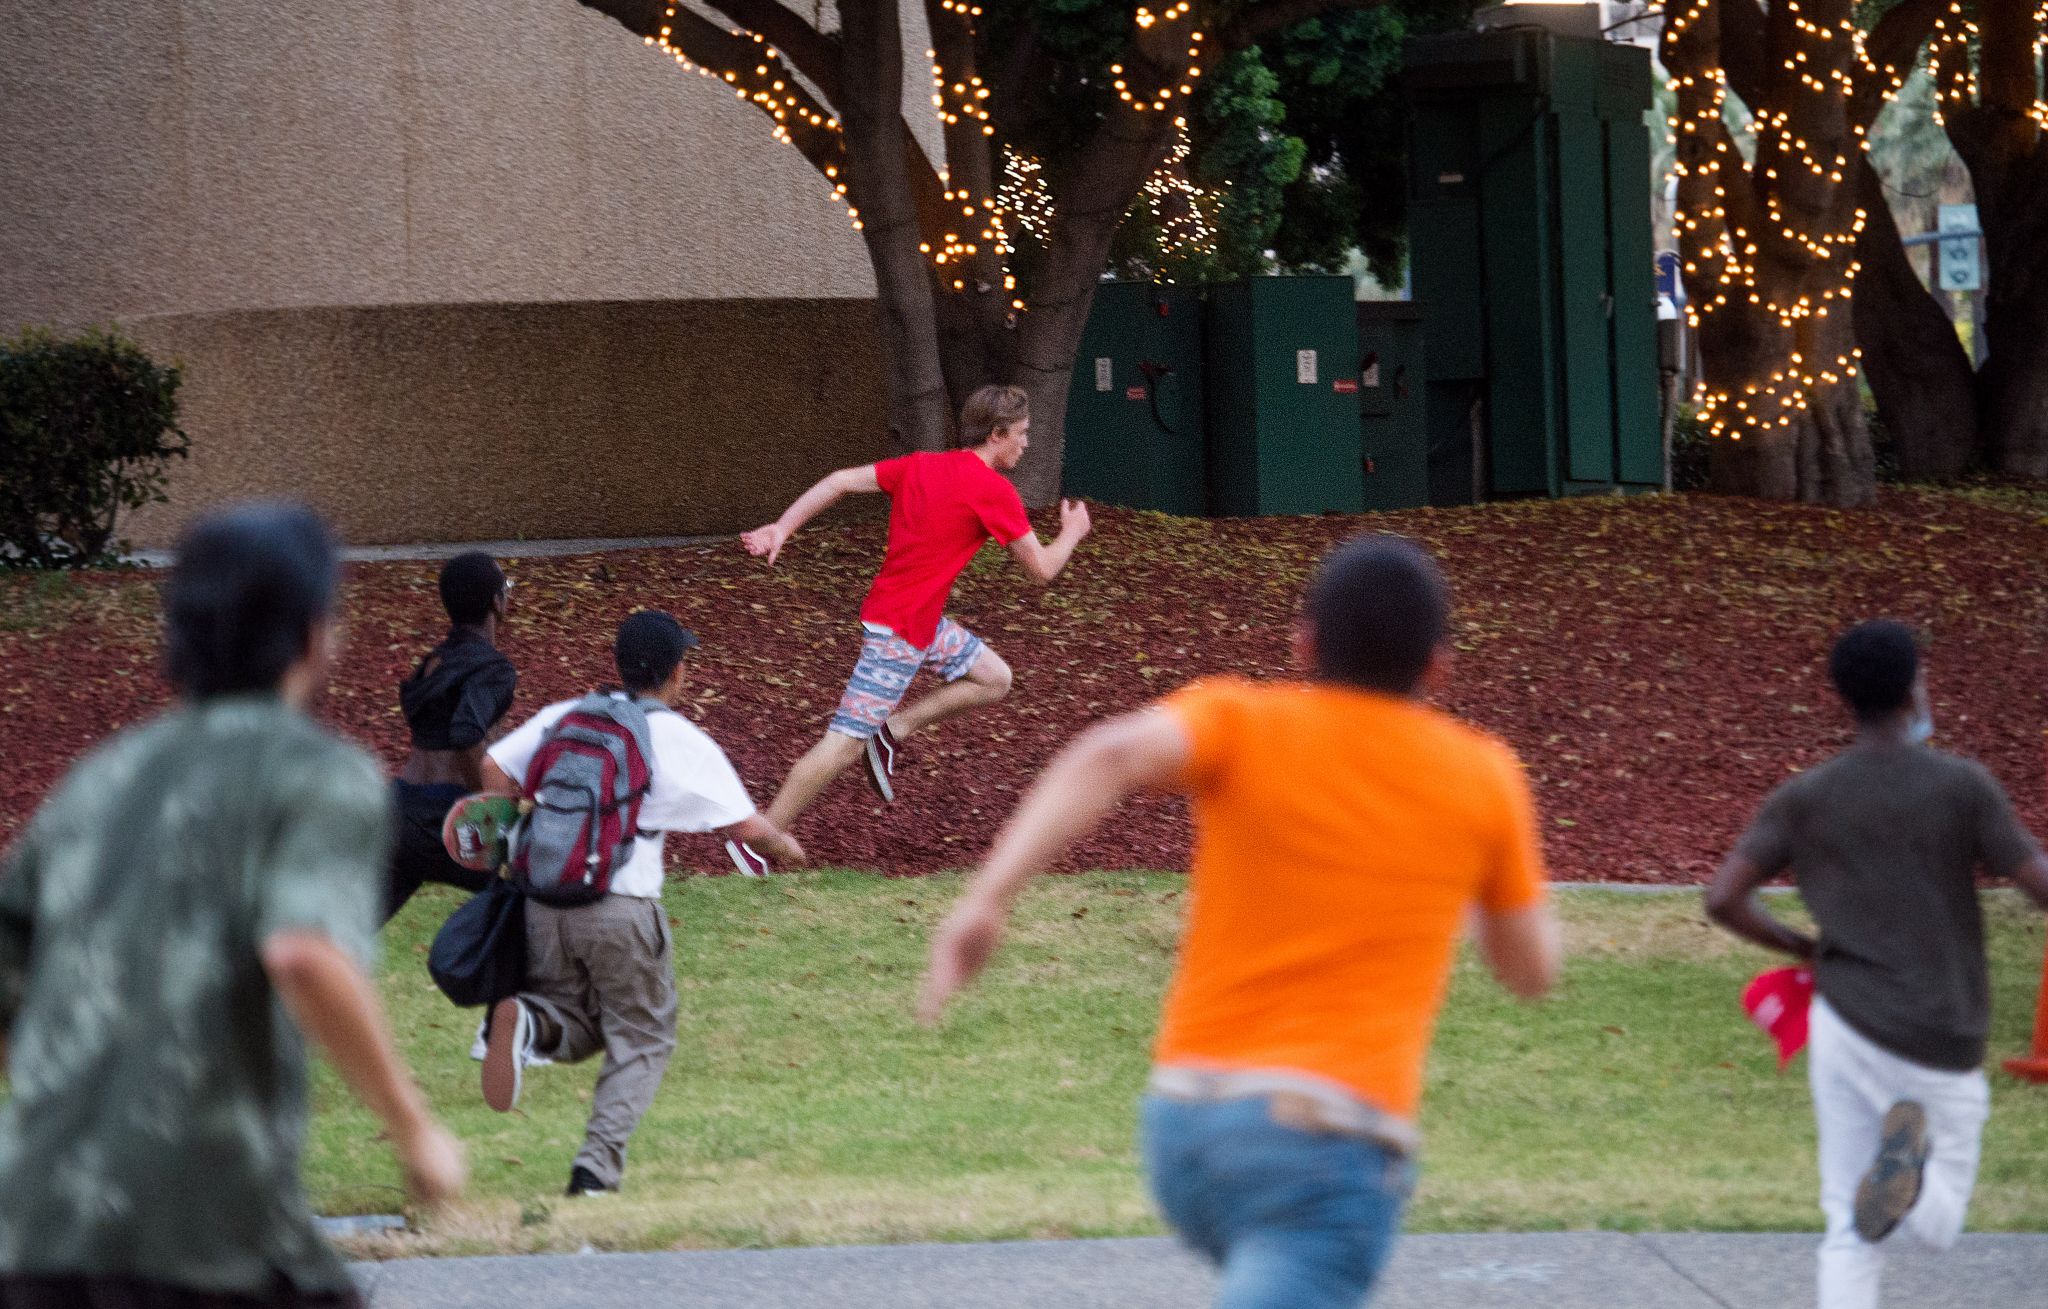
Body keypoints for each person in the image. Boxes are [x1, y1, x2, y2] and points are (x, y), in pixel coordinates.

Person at [920, 535, 1561, 1309]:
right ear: (1438, 665)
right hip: (1327, 1145)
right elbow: (1529, 970)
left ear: (1305, 644)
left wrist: (986, 899)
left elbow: (1110, 753)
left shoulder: (1240, 719)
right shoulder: (1481, 775)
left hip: (1188, 1130)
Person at [0, 503, 464, 1309]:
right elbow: (304, 953)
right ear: (314, 636)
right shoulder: (317, 773)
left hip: (34, 1230)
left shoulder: (99, 778)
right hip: (203, 1238)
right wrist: (415, 1128)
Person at [1707, 619, 2048, 1309]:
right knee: (1938, 1228)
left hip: (1845, 1020)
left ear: (1844, 696)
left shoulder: (1807, 796)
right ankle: (1913, 1182)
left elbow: (1723, 898)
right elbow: (2037, 881)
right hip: (1941, 1030)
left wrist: (1801, 945)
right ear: (1913, 687)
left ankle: (1896, 1181)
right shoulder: (1961, 786)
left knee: (1847, 1221)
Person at [478, 610, 804, 1197]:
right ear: (678, 672)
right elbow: (744, 825)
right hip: (622, 906)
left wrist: (516, 839)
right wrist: (787, 847)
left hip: (544, 902)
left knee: (579, 1021)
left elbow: (494, 766)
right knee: (644, 1035)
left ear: (620, 663)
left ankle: (526, 1025)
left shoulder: (568, 716)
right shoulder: (677, 738)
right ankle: (595, 1171)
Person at [741, 384, 1091, 832]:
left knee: (994, 678)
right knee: (841, 746)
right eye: (1022, 433)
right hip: (900, 633)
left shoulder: (922, 465)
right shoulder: (993, 490)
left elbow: (840, 481)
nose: (1027, 443)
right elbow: (1041, 570)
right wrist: (1073, 533)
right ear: (997, 434)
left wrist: (783, 528)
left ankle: (892, 731)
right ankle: (757, 841)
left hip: (914, 621)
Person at [386, 550, 519, 923]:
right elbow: (464, 732)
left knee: (347, 938)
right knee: (529, 901)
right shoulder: (494, 669)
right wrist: (491, 805)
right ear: (497, 602)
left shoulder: (431, 664)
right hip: (452, 816)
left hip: (400, 812)